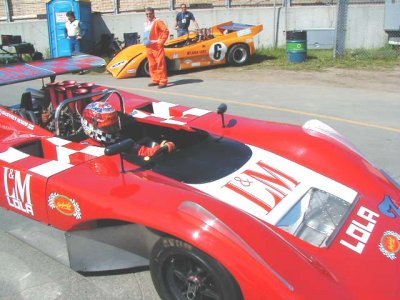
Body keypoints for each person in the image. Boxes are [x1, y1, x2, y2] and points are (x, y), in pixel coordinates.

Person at [81, 102, 175, 160]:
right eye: (108, 128)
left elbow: (144, 151)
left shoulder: (120, 141)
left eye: (114, 126)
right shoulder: (83, 149)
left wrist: (163, 147)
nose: (114, 131)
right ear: (90, 128)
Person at [143, 7, 169, 89]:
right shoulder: (146, 23)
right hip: (148, 47)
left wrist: (161, 42)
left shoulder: (158, 21)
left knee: (160, 64)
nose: (148, 15)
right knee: (152, 64)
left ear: (153, 13)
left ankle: (163, 81)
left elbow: (165, 31)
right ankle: (155, 80)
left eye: (149, 13)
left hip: (156, 46)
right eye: (147, 14)